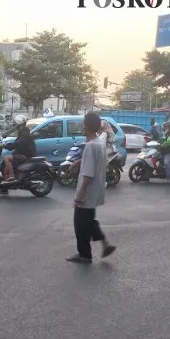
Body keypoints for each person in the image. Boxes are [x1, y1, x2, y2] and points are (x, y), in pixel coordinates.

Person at [67, 112, 116, 264]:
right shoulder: (99, 143)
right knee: (89, 221)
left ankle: (85, 255)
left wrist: (79, 196)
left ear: (86, 126)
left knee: (80, 225)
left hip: (88, 192)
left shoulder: (90, 146)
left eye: (83, 124)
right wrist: (78, 162)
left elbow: (88, 175)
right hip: (96, 191)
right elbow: (92, 160)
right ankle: (105, 244)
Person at [1, 115, 36, 182]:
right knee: (5, 167)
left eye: (15, 124)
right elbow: (17, 142)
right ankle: (4, 187)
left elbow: (18, 144)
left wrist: (5, 146)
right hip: (21, 153)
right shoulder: (22, 132)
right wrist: (6, 144)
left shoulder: (24, 133)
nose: (15, 126)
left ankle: (12, 176)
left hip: (25, 155)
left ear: (19, 124)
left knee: (7, 158)